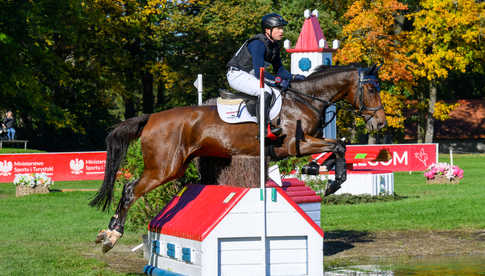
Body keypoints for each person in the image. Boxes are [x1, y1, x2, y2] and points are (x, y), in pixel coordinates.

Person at [226, 13, 305, 139]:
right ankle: (262, 130)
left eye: (282, 28)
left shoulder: (274, 46)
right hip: (237, 74)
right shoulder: (258, 44)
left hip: (250, 75)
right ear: (268, 30)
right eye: (278, 28)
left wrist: (293, 77)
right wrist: (278, 81)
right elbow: (260, 73)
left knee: (279, 91)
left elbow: (279, 70)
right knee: (266, 91)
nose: (282, 31)